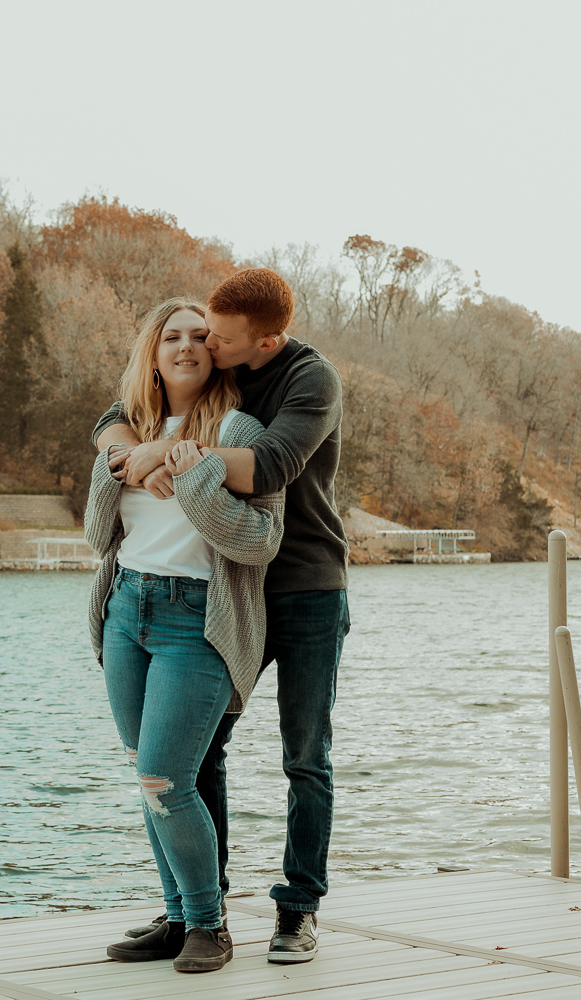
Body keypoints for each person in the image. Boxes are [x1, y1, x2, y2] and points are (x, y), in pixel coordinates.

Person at [94, 268, 347, 964]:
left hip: (302, 588)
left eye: (216, 337)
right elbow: (115, 416)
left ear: (263, 341)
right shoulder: (209, 375)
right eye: (194, 331)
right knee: (189, 757)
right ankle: (198, 911)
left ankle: (297, 908)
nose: (202, 342)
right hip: (227, 593)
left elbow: (268, 466)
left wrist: (167, 457)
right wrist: (124, 449)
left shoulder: (306, 381)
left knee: (304, 756)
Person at [84, 297, 285, 974]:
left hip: (195, 620)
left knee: (167, 776)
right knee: (150, 779)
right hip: (126, 612)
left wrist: (190, 472)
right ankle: (175, 918)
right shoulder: (126, 429)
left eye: (201, 336)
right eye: (172, 335)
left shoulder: (243, 431)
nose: (187, 345)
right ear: (153, 350)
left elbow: (260, 541)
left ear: (218, 350)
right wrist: (128, 459)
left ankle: (209, 923)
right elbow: (95, 535)